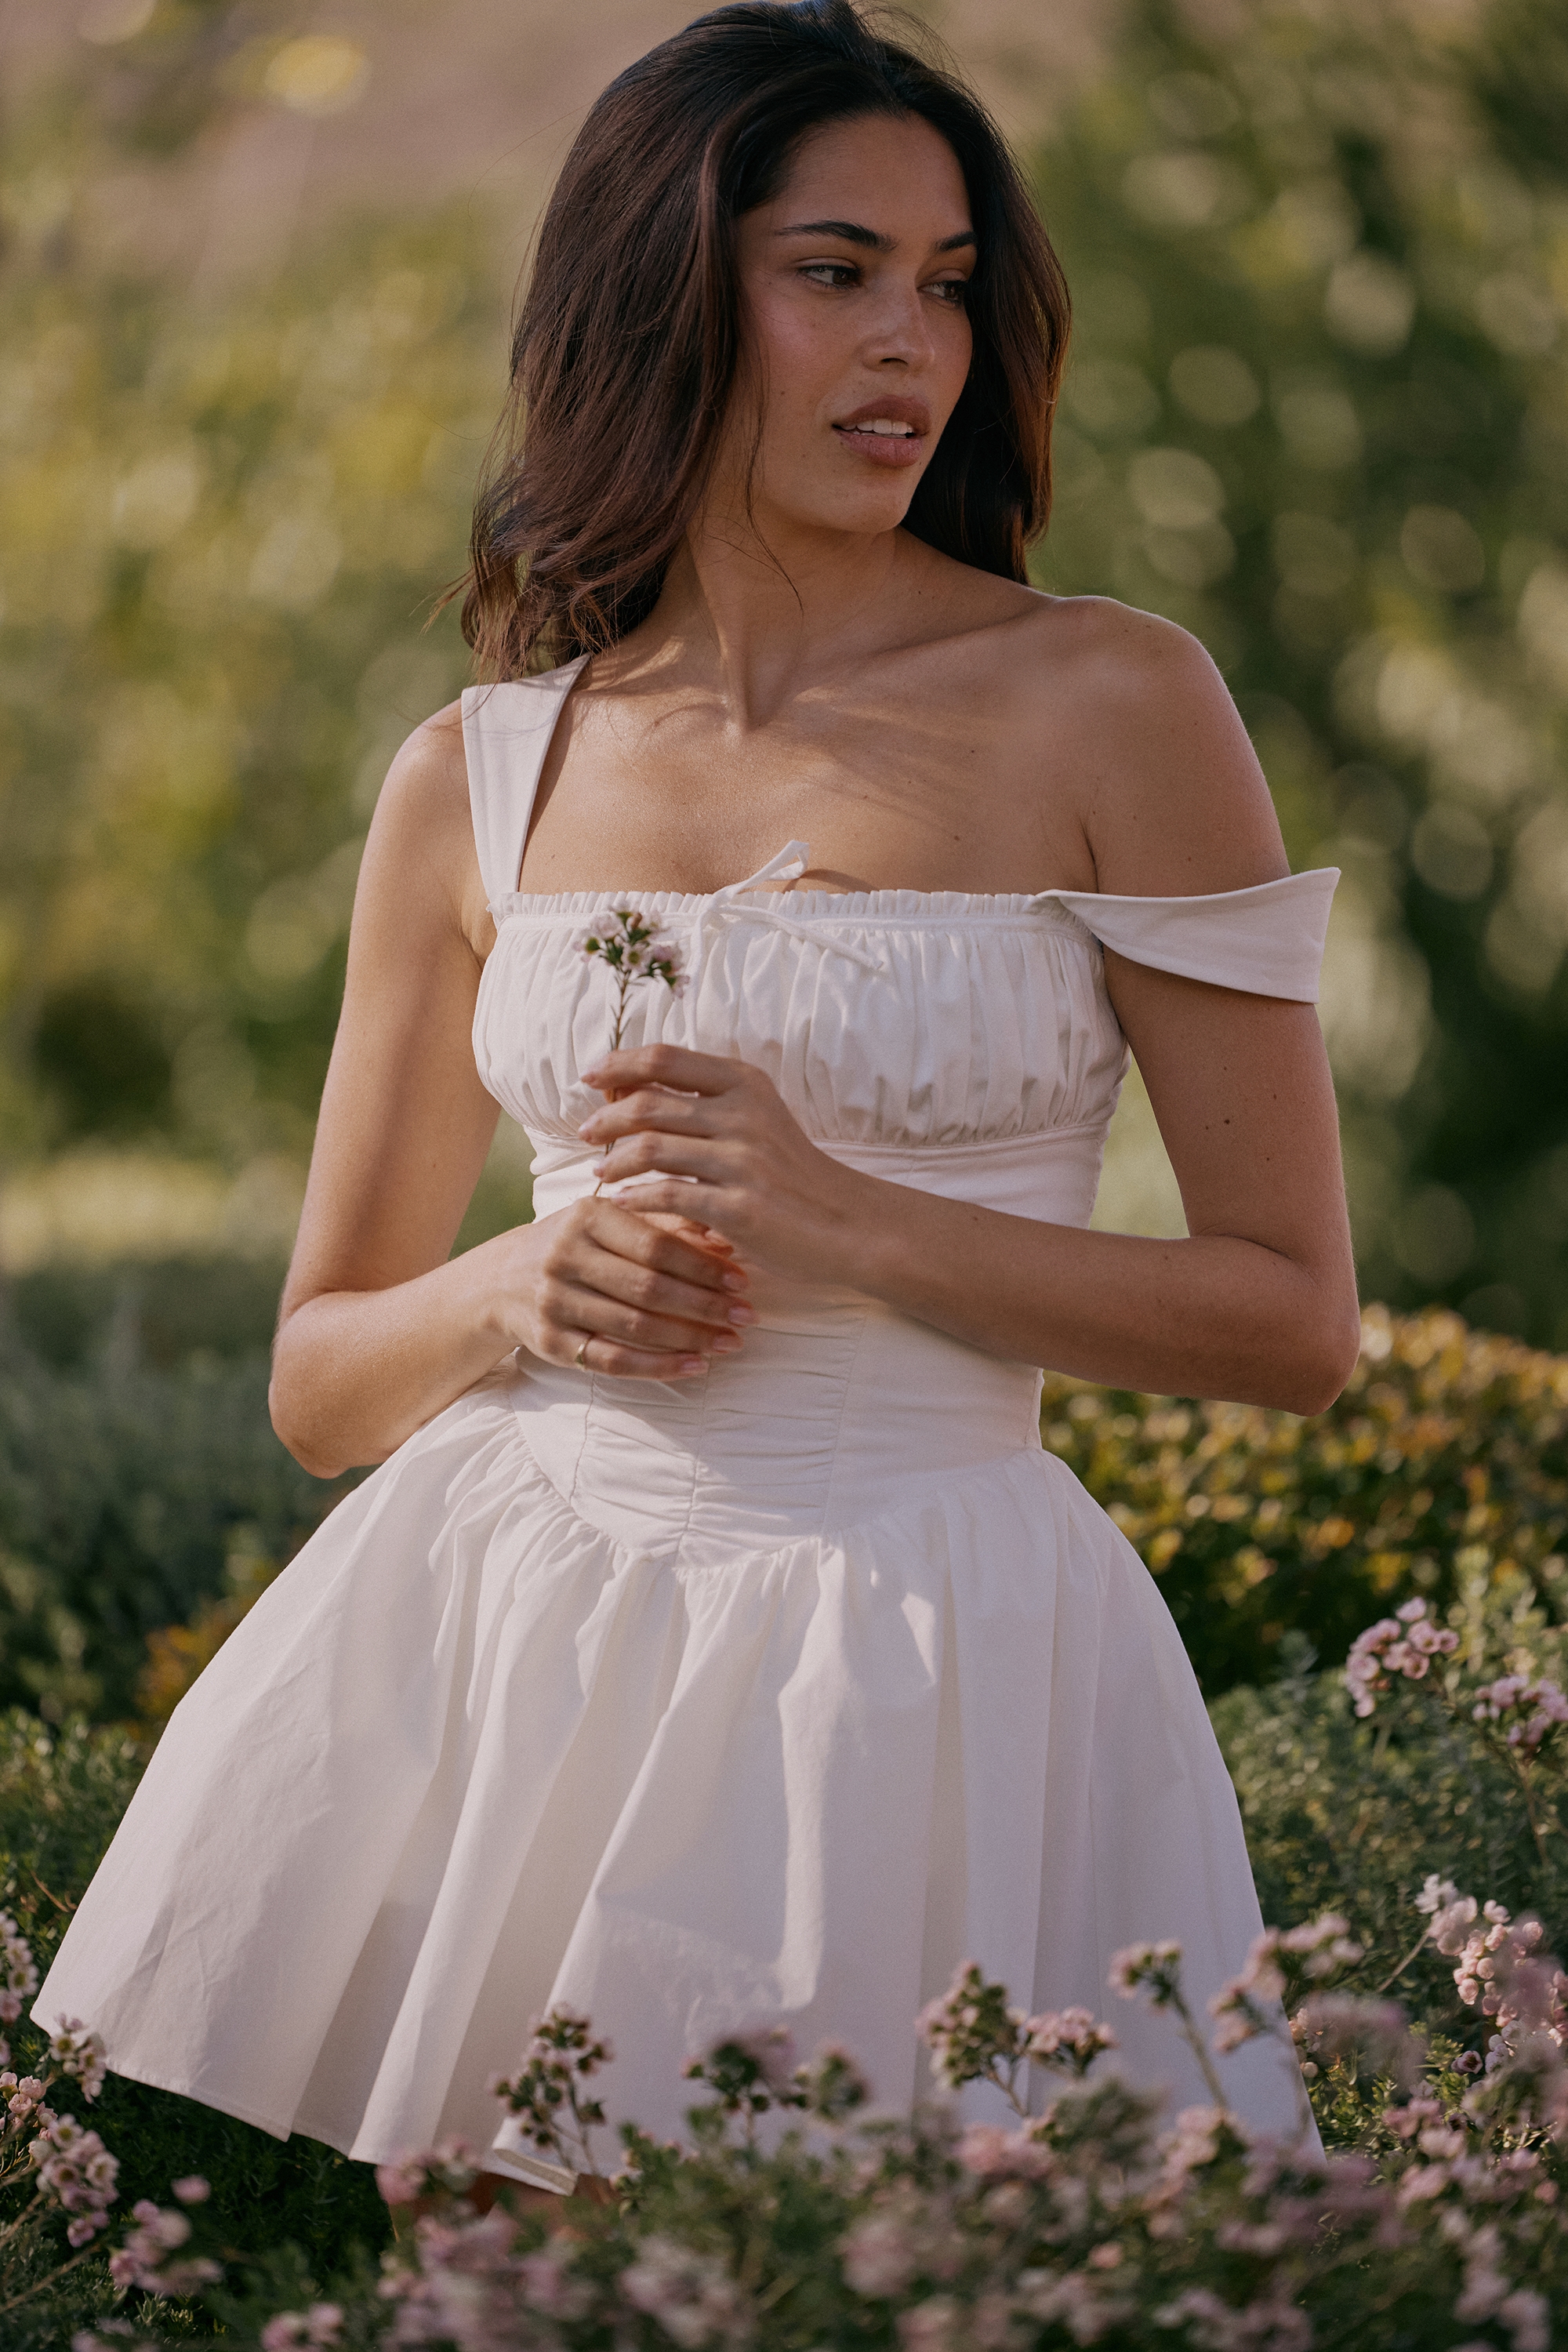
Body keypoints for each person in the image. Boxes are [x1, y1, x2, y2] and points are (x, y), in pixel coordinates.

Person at [37, 0, 1359, 2205]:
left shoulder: (1116, 701)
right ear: (664, 291)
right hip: (529, 1638)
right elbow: (323, 1383)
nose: (910, 341)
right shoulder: (475, 778)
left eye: (948, 283)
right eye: (834, 270)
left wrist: (856, 1226)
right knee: (518, 2293)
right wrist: (522, 1287)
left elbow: (1295, 1323)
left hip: (944, 1660)